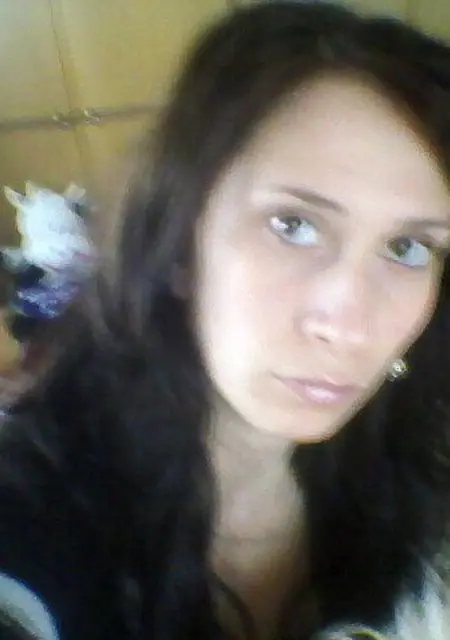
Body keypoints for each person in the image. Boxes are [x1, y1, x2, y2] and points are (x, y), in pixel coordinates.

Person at [1, 2, 450, 639]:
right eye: (292, 225)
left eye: (407, 247)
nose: (351, 328)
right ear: (181, 241)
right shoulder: (35, 513)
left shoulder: (415, 469)